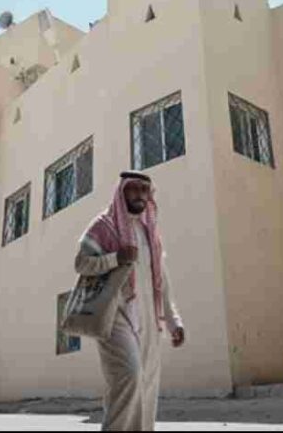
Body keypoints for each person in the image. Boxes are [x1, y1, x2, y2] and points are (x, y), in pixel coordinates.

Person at [74, 170, 185, 431]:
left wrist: (173, 321)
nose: (140, 194)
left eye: (144, 190)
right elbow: (81, 263)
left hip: (148, 317)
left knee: (146, 383)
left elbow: (161, 281)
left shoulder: (151, 233)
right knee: (129, 376)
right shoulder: (104, 226)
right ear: (121, 192)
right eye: (133, 188)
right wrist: (116, 258)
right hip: (114, 316)